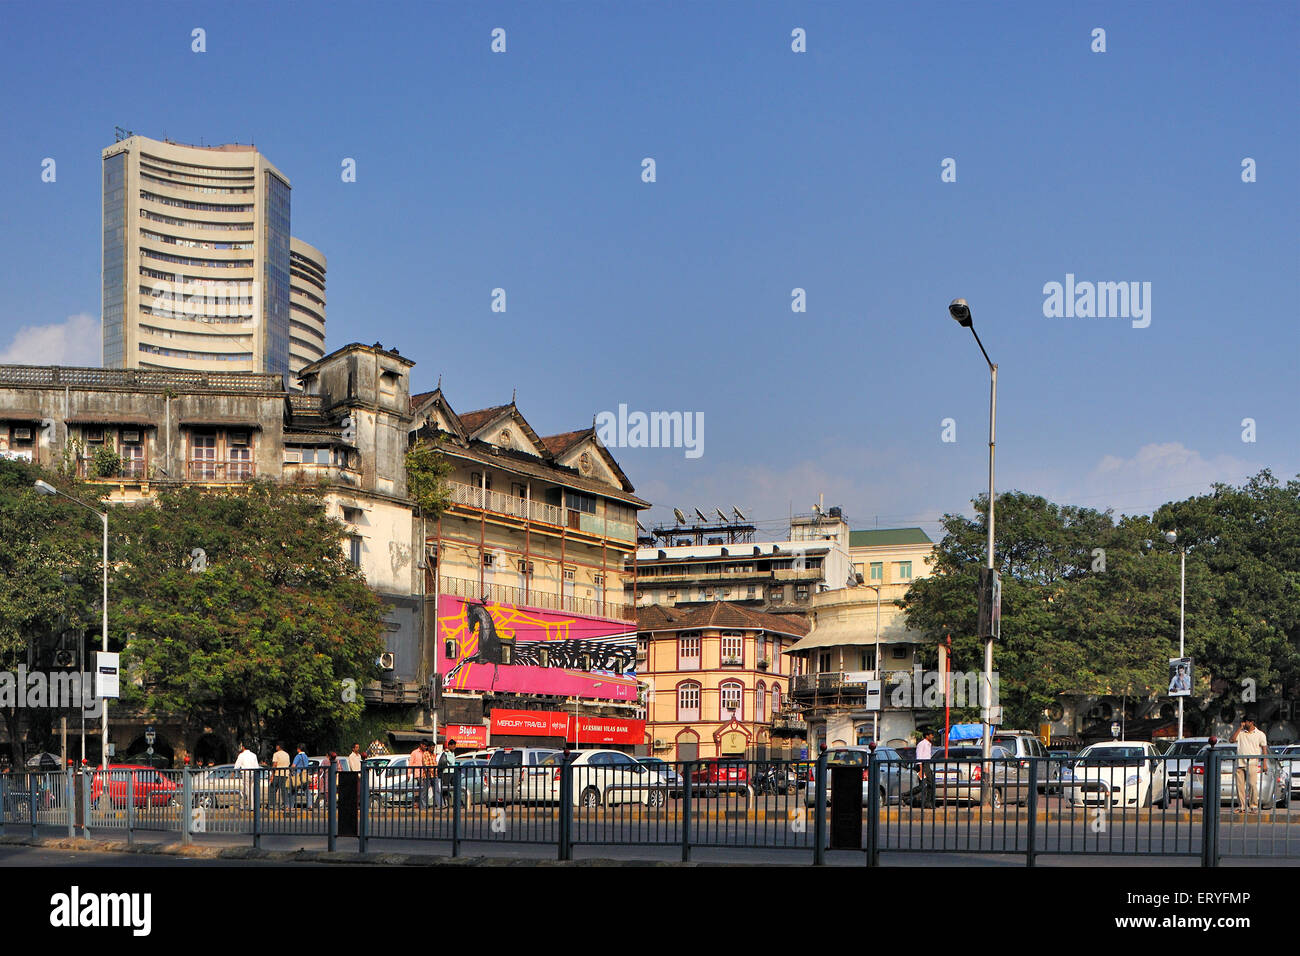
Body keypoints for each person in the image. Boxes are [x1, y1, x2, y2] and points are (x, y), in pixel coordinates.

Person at [1230, 717, 1269, 813]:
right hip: (1240, 762)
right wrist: (1240, 728)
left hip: (1252, 763)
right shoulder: (1241, 733)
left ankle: (1253, 806)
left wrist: (1264, 763)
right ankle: (1242, 806)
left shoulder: (1260, 734)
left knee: (1252, 785)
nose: (1243, 723)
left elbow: (1264, 750)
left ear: (1251, 722)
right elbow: (1232, 740)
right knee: (1240, 786)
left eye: (1245, 721)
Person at [233, 742, 259, 808]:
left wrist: (233, 772)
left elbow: (237, 766)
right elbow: (257, 766)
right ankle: (242, 805)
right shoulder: (254, 755)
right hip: (253, 773)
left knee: (248, 789)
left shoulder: (241, 755)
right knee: (246, 789)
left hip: (245, 773)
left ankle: (252, 806)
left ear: (243, 747)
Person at [914, 730, 935, 808]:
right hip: (922, 765)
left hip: (927, 765)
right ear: (927, 736)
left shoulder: (929, 744)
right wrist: (921, 769)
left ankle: (928, 803)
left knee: (931, 784)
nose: (932, 736)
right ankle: (904, 796)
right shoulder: (921, 744)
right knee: (922, 786)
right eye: (931, 735)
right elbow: (919, 756)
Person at [408, 740, 429, 810]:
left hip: (426, 774)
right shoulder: (414, 753)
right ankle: (422, 806)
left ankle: (419, 804)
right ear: (421, 745)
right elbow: (410, 764)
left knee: (422, 790)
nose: (425, 747)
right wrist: (408, 774)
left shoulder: (426, 753)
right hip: (418, 774)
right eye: (424, 746)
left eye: (426, 746)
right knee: (422, 790)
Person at [270, 743, 291, 809]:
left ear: (278, 746)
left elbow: (275, 764)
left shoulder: (276, 754)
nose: (276, 747)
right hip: (286, 774)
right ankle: (285, 804)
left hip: (277, 773)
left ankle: (272, 804)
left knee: (272, 789)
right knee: (284, 790)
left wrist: (272, 775)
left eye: (276, 746)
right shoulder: (287, 754)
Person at [437, 739, 458, 808]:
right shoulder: (445, 753)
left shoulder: (453, 753)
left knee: (455, 787)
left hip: (453, 772)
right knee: (445, 788)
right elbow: (451, 761)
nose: (454, 747)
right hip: (446, 772)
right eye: (453, 746)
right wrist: (448, 752)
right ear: (449, 746)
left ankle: (454, 802)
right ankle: (444, 802)